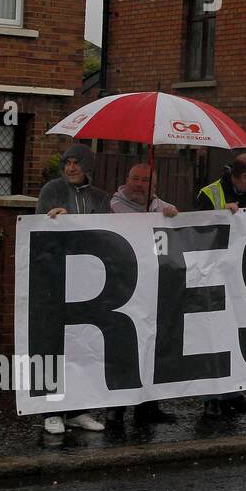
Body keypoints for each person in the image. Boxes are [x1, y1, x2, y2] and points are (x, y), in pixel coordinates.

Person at [36, 144, 113, 434]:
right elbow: (38, 228)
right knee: (55, 344)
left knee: (83, 345)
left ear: (87, 166)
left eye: (76, 163)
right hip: (57, 279)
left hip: (90, 281)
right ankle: (51, 410)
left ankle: (78, 410)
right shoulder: (51, 190)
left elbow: (110, 233)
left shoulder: (100, 197)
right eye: (67, 162)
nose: (71, 168)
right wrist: (51, 217)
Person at [194, 153, 246, 419]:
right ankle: (210, 397)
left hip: (241, 275)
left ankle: (232, 393)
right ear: (242, 177)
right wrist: (219, 216)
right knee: (211, 336)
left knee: (236, 333)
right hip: (213, 275)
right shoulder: (209, 194)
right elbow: (197, 232)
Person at [105, 164, 180, 426]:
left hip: (153, 288)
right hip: (122, 288)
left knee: (151, 346)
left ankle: (149, 405)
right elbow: (132, 227)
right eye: (134, 178)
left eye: (145, 180)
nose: (138, 184)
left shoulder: (161, 207)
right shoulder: (115, 204)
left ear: (154, 184)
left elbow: (172, 238)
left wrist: (172, 215)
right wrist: (158, 217)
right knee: (124, 349)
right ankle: (116, 408)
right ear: (126, 179)